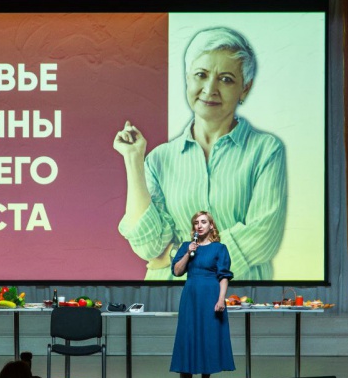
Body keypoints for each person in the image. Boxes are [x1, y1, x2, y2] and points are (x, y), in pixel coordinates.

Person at [113, 26, 287, 281]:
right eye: (201, 75)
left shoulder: (266, 151)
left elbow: (263, 237)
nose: (210, 88)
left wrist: (177, 254)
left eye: (226, 79)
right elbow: (149, 247)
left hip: (236, 297)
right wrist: (133, 159)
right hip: (169, 297)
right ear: (188, 78)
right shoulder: (159, 159)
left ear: (245, 88)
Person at [170, 211, 234, 378]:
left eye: (204, 222)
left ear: (211, 226)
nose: (199, 225)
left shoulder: (219, 249)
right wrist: (188, 253)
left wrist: (221, 299)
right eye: (196, 222)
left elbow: (224, 277)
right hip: (191, 297)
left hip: (210, 296)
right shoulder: (186, 246)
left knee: (208, 339)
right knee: (187, 338)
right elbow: (177, 271)